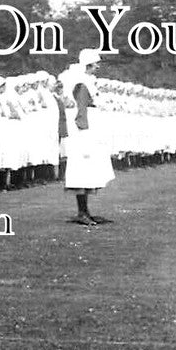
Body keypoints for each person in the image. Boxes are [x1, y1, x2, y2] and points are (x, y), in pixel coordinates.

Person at [62, 50, 114, 225]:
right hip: (83, 132)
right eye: (95, 64)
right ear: (88, 64)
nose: (98, 66)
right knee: (82, 169)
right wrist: (84, 133)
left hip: (89, 129)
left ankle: (85, 210)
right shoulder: (81, 83)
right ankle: (82, 212)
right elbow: (80, 110)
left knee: (89, 170)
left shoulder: (87, 82)